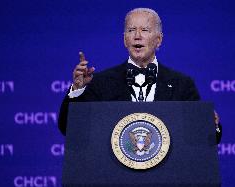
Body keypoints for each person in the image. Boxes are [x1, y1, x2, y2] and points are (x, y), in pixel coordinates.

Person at [58, 8, 222, 143]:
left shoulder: (182, 84)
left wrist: (211, 125)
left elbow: (207, 138)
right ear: (125, 40)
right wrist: (77, 90)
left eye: (145, 30)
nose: (137, 35)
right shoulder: (101, 82)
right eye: (131, 30)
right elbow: (69, 128)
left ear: (158, 40)